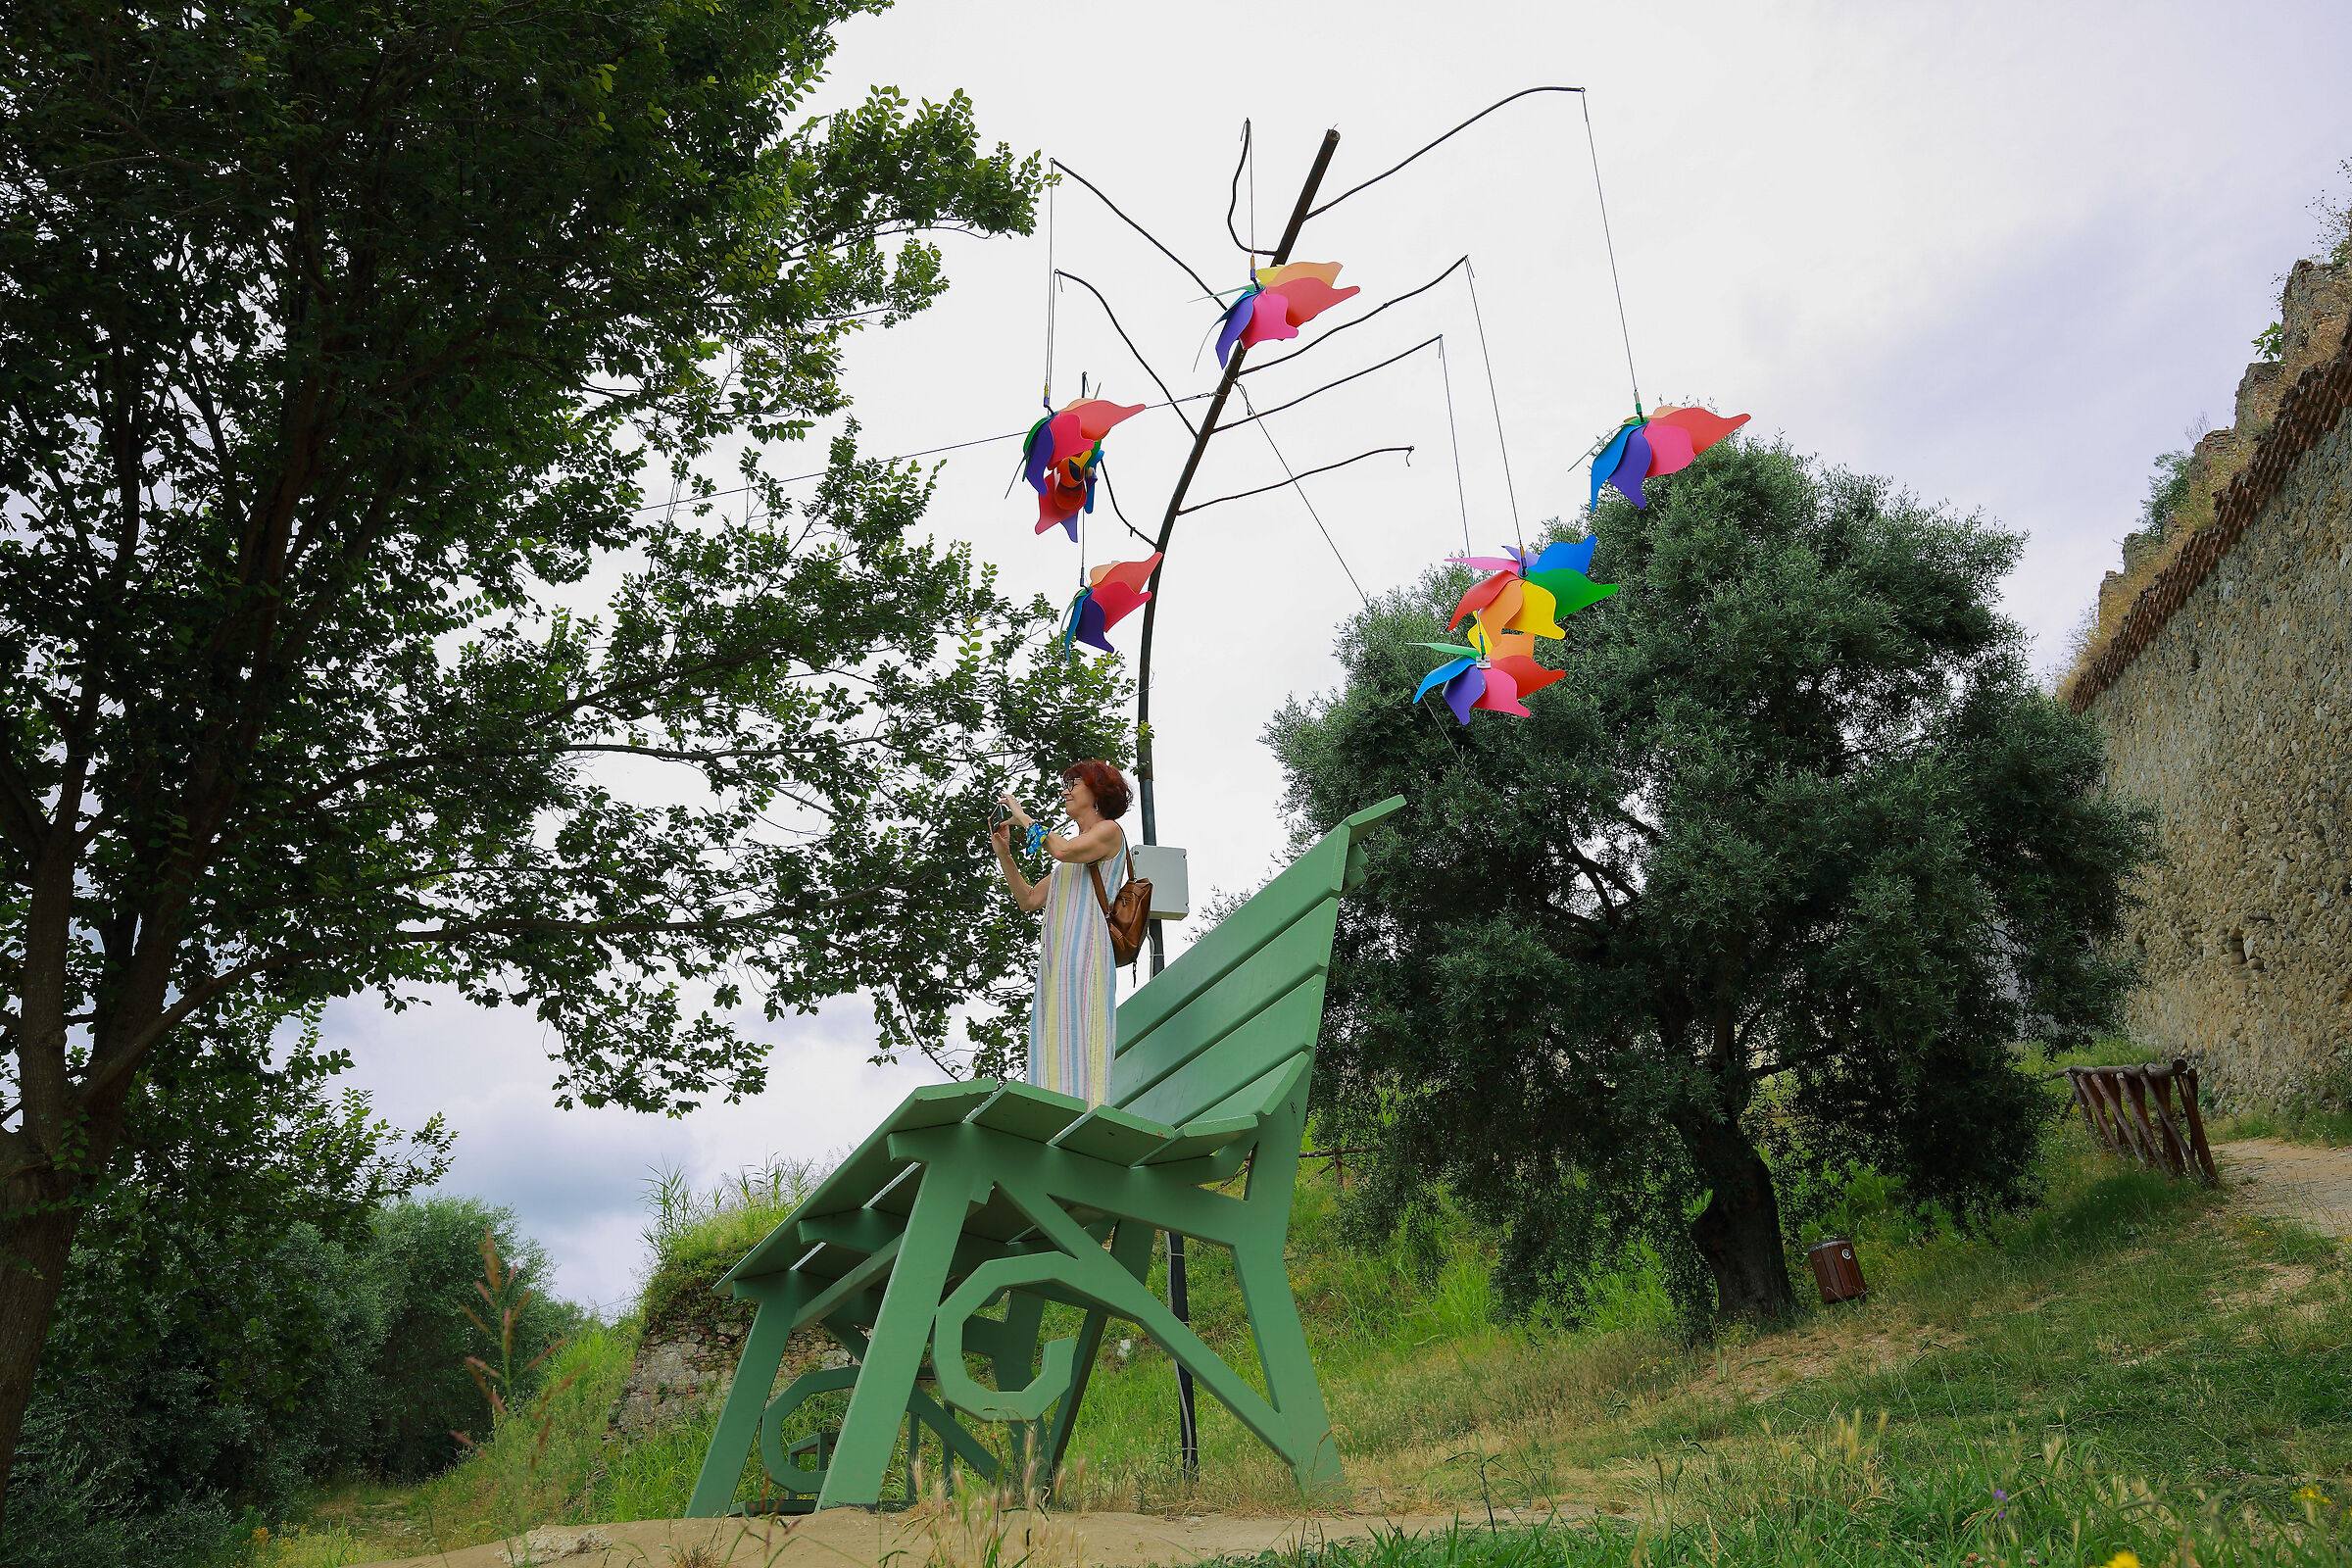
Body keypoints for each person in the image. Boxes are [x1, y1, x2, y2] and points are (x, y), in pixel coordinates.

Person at [991, 760, 1132, 1106]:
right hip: (1058, 959)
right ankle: (1053, 1112)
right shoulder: (1068, 865)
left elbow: (1063, 848)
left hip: (1086, 954)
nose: (1065, 791)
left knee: (1084, 1033)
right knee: (1054, 1035)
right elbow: (1028, 899)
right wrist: (1005, 854)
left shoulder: (1109, 832)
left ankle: (1087, 1112)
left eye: (1074, 783)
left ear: (1097, 792)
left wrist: (1023, 817)